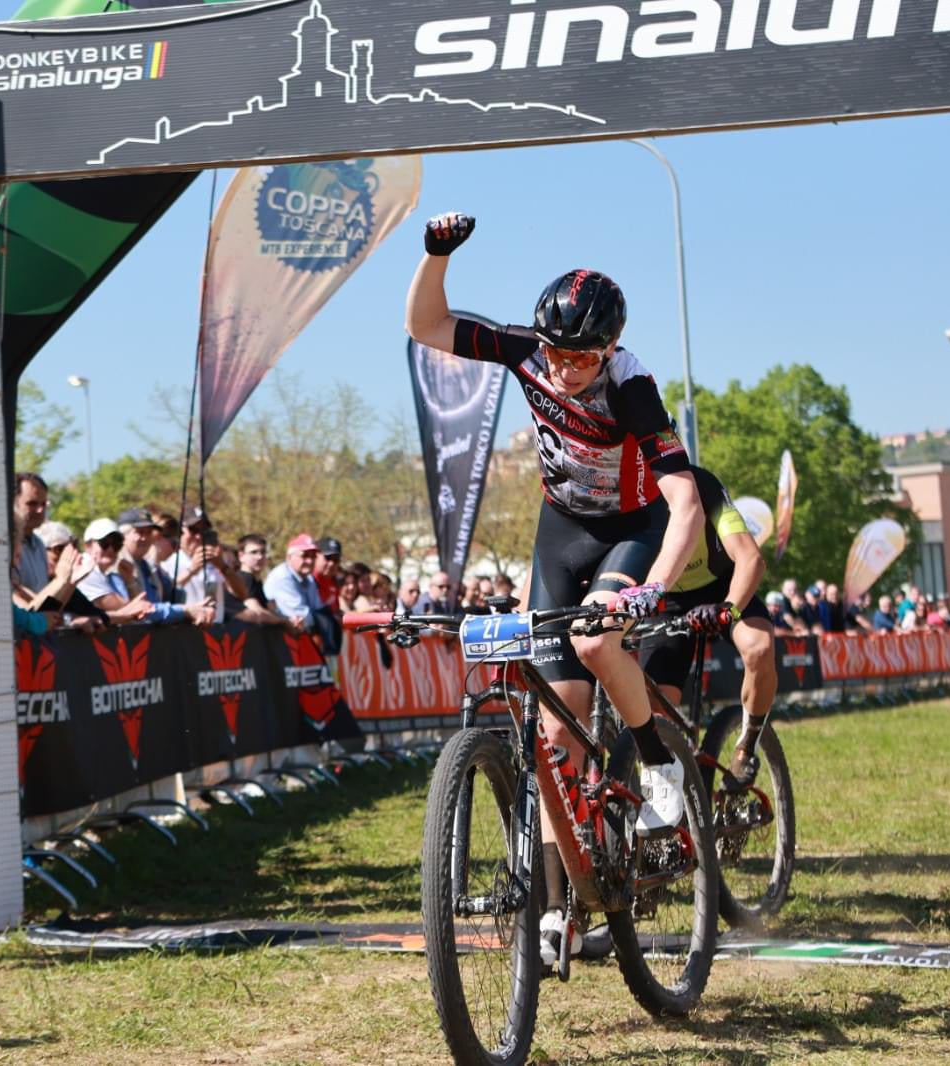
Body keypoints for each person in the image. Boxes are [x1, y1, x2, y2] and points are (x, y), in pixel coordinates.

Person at [407, 211, 703, 969]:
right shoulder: (527, 351)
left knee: (597, 640)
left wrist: (654, 588)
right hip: (560, 532)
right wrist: (435, 255)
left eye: (582, 357)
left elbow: (686, 504)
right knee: (554, 734)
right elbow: (427, 325)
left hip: (629, 527)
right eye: (556, 353)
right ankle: (556, 906)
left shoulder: (632, 387)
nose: (565, 368)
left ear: (609, 349)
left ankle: (658, 761)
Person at [642, 465, 777, 786]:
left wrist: (728, 609)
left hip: (722, 587)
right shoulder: (626, 495)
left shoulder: (700, 485)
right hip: (667, 599)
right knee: (653, 705)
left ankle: (747, 744)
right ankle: (674, 786)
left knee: (759, 648)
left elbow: (751, 559)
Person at [119, 508, 212, 626]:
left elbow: (172, 597)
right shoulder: (119, 565)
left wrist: (196, 608)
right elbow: (145, 611)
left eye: (149, 532)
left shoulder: (148, 567)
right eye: (140, 532)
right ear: (123, 536)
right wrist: (185, 611)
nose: (145, 538)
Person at [76, 519, 155, 625]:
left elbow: (140, 610)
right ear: (88, 546)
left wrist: (129, 580)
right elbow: (129, 610)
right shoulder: (85, 568)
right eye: (104, 543)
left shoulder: (103, 573)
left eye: (116, 544)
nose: (111, 549)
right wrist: (137, 605)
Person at [262, 534, 321, 634]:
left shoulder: (308, 578)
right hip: (279, 634)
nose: (310, 561)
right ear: (289, 557)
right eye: (305, 555)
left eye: (313, 556)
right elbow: (301, 616)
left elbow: (318, 608)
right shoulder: (282, 576)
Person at [12, 472, 51, 593]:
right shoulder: (7, 546)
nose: (40, 510)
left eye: (43, 504)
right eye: (32, 504)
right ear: (14, 502)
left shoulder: (40, 545)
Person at [313, 537, 343, 609]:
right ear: (315, 556)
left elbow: (335, 611)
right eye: (328, 558)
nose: (331, 564)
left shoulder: (333, 582)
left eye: (336, 560)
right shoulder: (308, 581)